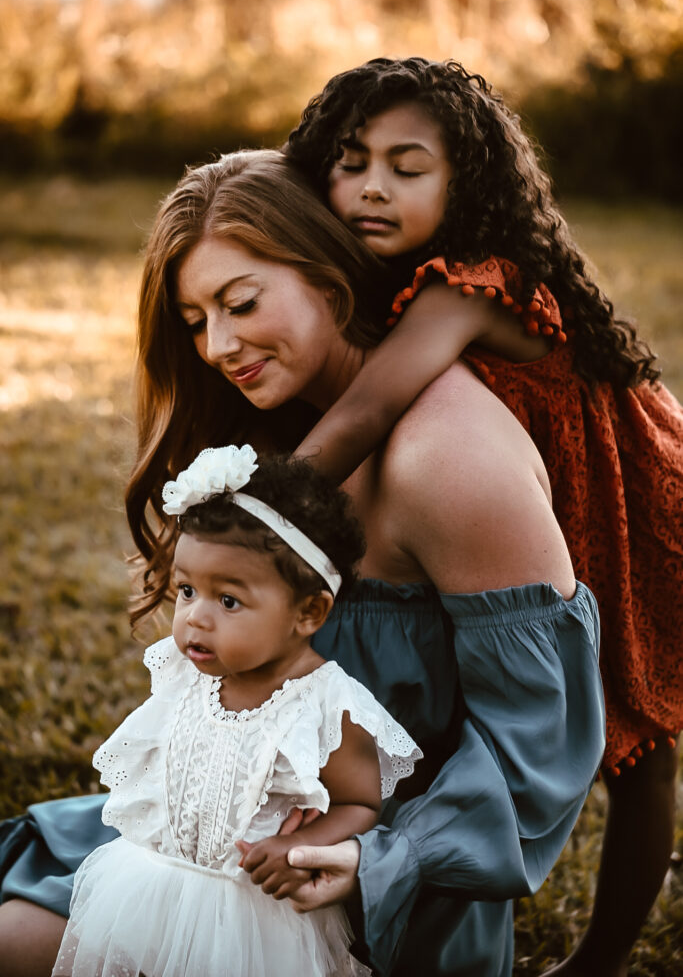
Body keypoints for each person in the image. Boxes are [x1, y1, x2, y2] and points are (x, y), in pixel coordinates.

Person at [0, 149, 605, 977]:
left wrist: (372, 860)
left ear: (329, 277)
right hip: (217, 837)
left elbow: (536, 752)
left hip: (365, 880)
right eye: (194, 319)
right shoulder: (289, 430)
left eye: (241, 303)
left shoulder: (447, 460)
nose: (217, 344)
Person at [284, 57, 683, 977]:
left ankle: (599, 963)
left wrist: (257, 515)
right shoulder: (390, 280)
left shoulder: (465, 283)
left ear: (467, 184)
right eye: (351, 161)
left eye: (407, 166)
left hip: (628, 510)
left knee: (640, 746)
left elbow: (366, 412)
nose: (372, 187)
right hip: (543, 505)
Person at [51, 445, 421, 977]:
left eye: (227, 600)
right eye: (186, 590)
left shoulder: (325, 706)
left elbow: (360, 802)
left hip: (253, 919)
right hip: (155, 886)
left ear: (308, 611)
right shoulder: (185, 673)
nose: (195, 618)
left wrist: (299, 844)